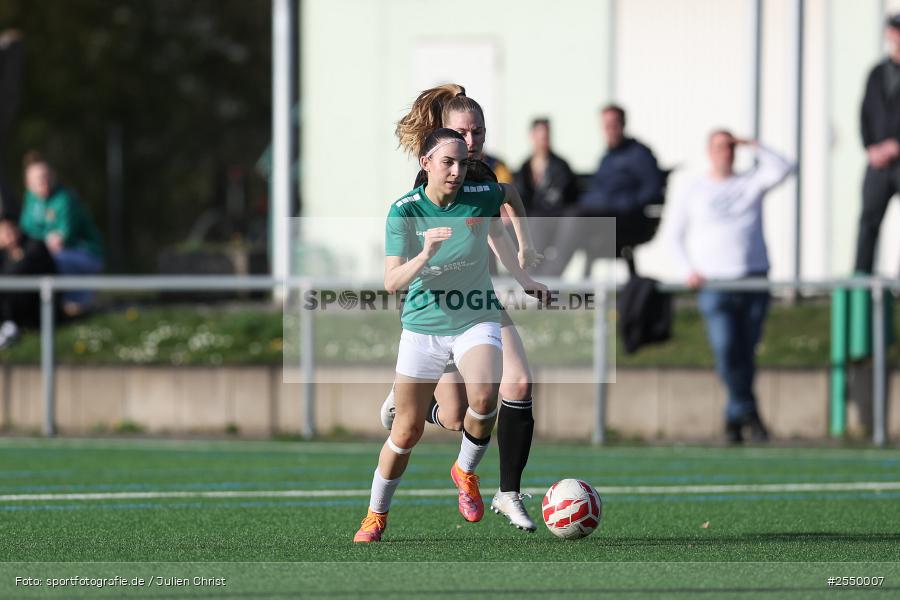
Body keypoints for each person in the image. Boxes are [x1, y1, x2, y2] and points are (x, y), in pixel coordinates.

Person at [353, 129, 542, 542]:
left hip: (476, 316)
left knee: (485, 396)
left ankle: (466, 470)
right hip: (423, 326)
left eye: (461, 162)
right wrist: (424, 255)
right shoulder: (404, 211)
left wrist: (524, 257)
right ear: (426, 164)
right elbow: (390, 282)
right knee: (405, 431)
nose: (457, 171)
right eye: (447, 163)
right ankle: (375, 515)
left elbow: (510, 194)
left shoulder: (479, 194)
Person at [666, 131, 794, 443]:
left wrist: (754, 145)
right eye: (721, 147)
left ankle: (733, 420)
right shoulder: (694, 188)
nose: (727, 153)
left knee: (745, 353)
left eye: (731, 147)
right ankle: (749, 412)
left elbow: (786, 167)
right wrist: (687, 270)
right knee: (725, 350)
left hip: (753, 278)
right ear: (709, 151)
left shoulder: (749, 182)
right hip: (714, 283)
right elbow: (673, 234)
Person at [536, 104, 664, 276]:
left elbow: (653, 191)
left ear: (623, 124)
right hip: (595, 213)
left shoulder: (639, 155)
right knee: (543, 215)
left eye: (613, 124)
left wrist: (623, 203)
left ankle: (548, 279)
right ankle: (530, 274)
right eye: (605, 126)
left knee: (574, 217)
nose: (609, 130)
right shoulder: (608, 157)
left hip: (622, 220)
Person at [19, 152, 104, 313]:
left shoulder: (65, 198)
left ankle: (78, 300)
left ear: (53, 176)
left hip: (86, 255)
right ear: (28, 183)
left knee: (50, 259)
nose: (42, 182)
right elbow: (25, 235)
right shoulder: (30, 199)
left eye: (46, 176)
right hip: (55, 254)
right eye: (37, 179)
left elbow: (59, 241)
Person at [854, 13, 900, 274]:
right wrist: (870, 147)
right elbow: (865, 113)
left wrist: (896, 144)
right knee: (868, 220)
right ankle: (861, 276)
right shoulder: (877, 73)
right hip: (878, 162)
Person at [513, 118, 578, 253]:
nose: (543, 140)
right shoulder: (524, 168)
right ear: (532, 136)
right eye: (540, 136)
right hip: (529, 222)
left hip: (552, 222)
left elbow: (559, 199)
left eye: (546, 136)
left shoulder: (560, 167)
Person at [0, 215, 57, 349]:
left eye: (8, 231)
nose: (6, 236)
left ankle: (10, 329)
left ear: (17, 230)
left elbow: (18, 272)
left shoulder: (34, 246)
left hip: (39, 305)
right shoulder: (3, 254)